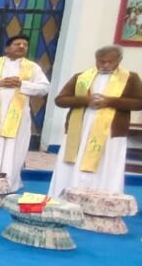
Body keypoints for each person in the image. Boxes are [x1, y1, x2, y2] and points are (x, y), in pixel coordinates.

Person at [48, 46, 142, 197]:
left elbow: (139, 103)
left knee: (105, 165)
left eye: (110, 62)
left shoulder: (130, 78)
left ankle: (102, 198)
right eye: (101, 61)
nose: (105, 65)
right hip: (80, 130)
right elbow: (60, 100)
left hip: (110, 133)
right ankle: (66, 196)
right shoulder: (81, 77)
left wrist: (110, 101)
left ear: (119, 60)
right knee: (73, 164)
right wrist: (86, 100)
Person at [0, 35, 50, 191]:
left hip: (17, 117)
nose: (22, 46)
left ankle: (8, 183)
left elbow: (44, 88)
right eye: (17, 44)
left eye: (25, 45)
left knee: (14, 147)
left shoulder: (32, 68)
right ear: (7, 48)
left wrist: (22, 84)